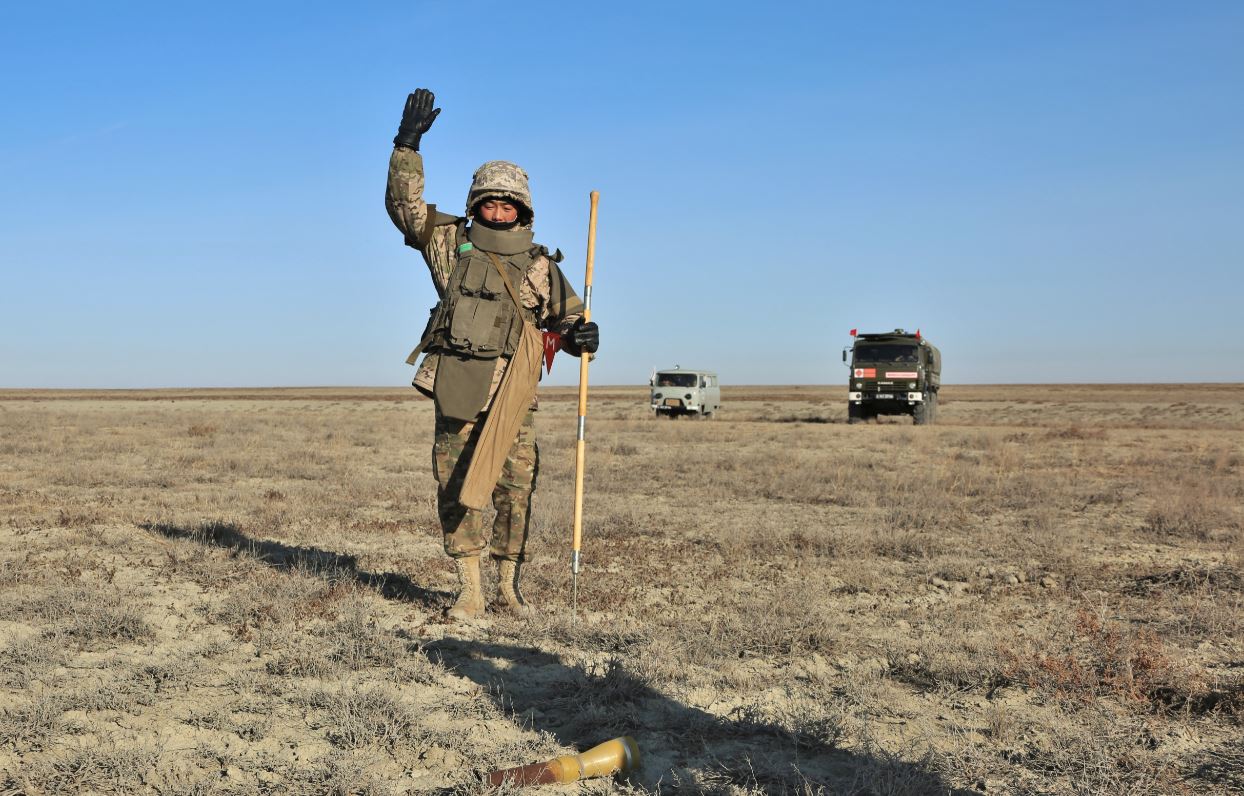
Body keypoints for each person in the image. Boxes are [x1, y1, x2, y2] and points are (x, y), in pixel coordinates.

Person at [385, 88, 599, 621]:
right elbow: (404, 207)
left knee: (515, 487)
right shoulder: (447, 242)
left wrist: (583, 338)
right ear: (475, 204)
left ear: (522, 208)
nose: (497, 210)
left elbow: (568, 323)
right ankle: (469, 588)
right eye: (488, 201)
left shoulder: (541, 266)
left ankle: (508, 586)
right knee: (455, 485)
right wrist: (406, 146)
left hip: (514, 393)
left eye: (507, 203)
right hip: (457, 383)